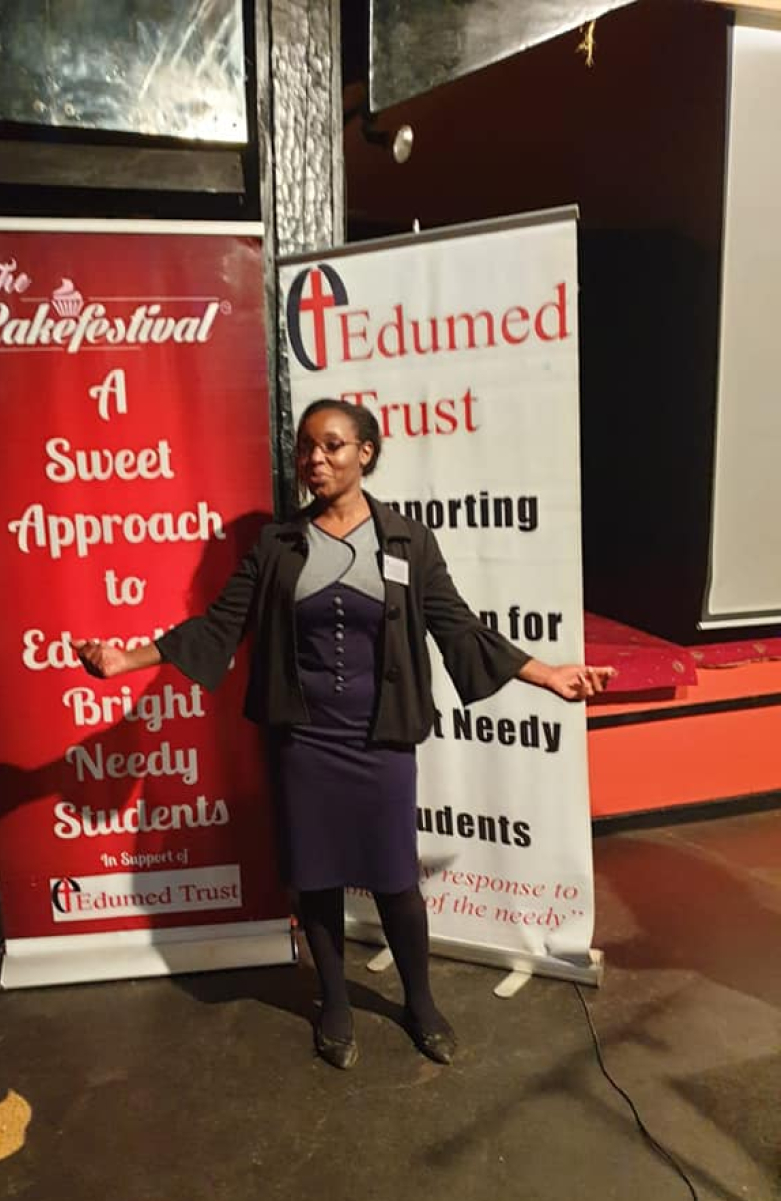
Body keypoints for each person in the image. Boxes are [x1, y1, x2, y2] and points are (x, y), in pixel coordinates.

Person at [75, 399, 616, 1071]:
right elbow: (220, 624)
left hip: (380, 739)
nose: (316, 460)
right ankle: (332, 1001)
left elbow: (457, 626)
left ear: (366, 453)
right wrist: (128, 660)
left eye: (332, 446)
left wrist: (548, 674)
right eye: (307, 448)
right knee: (315, 878)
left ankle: (420, 1003)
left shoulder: (407, 542)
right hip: (303, 741)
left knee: (394, 880)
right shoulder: (277, 545)